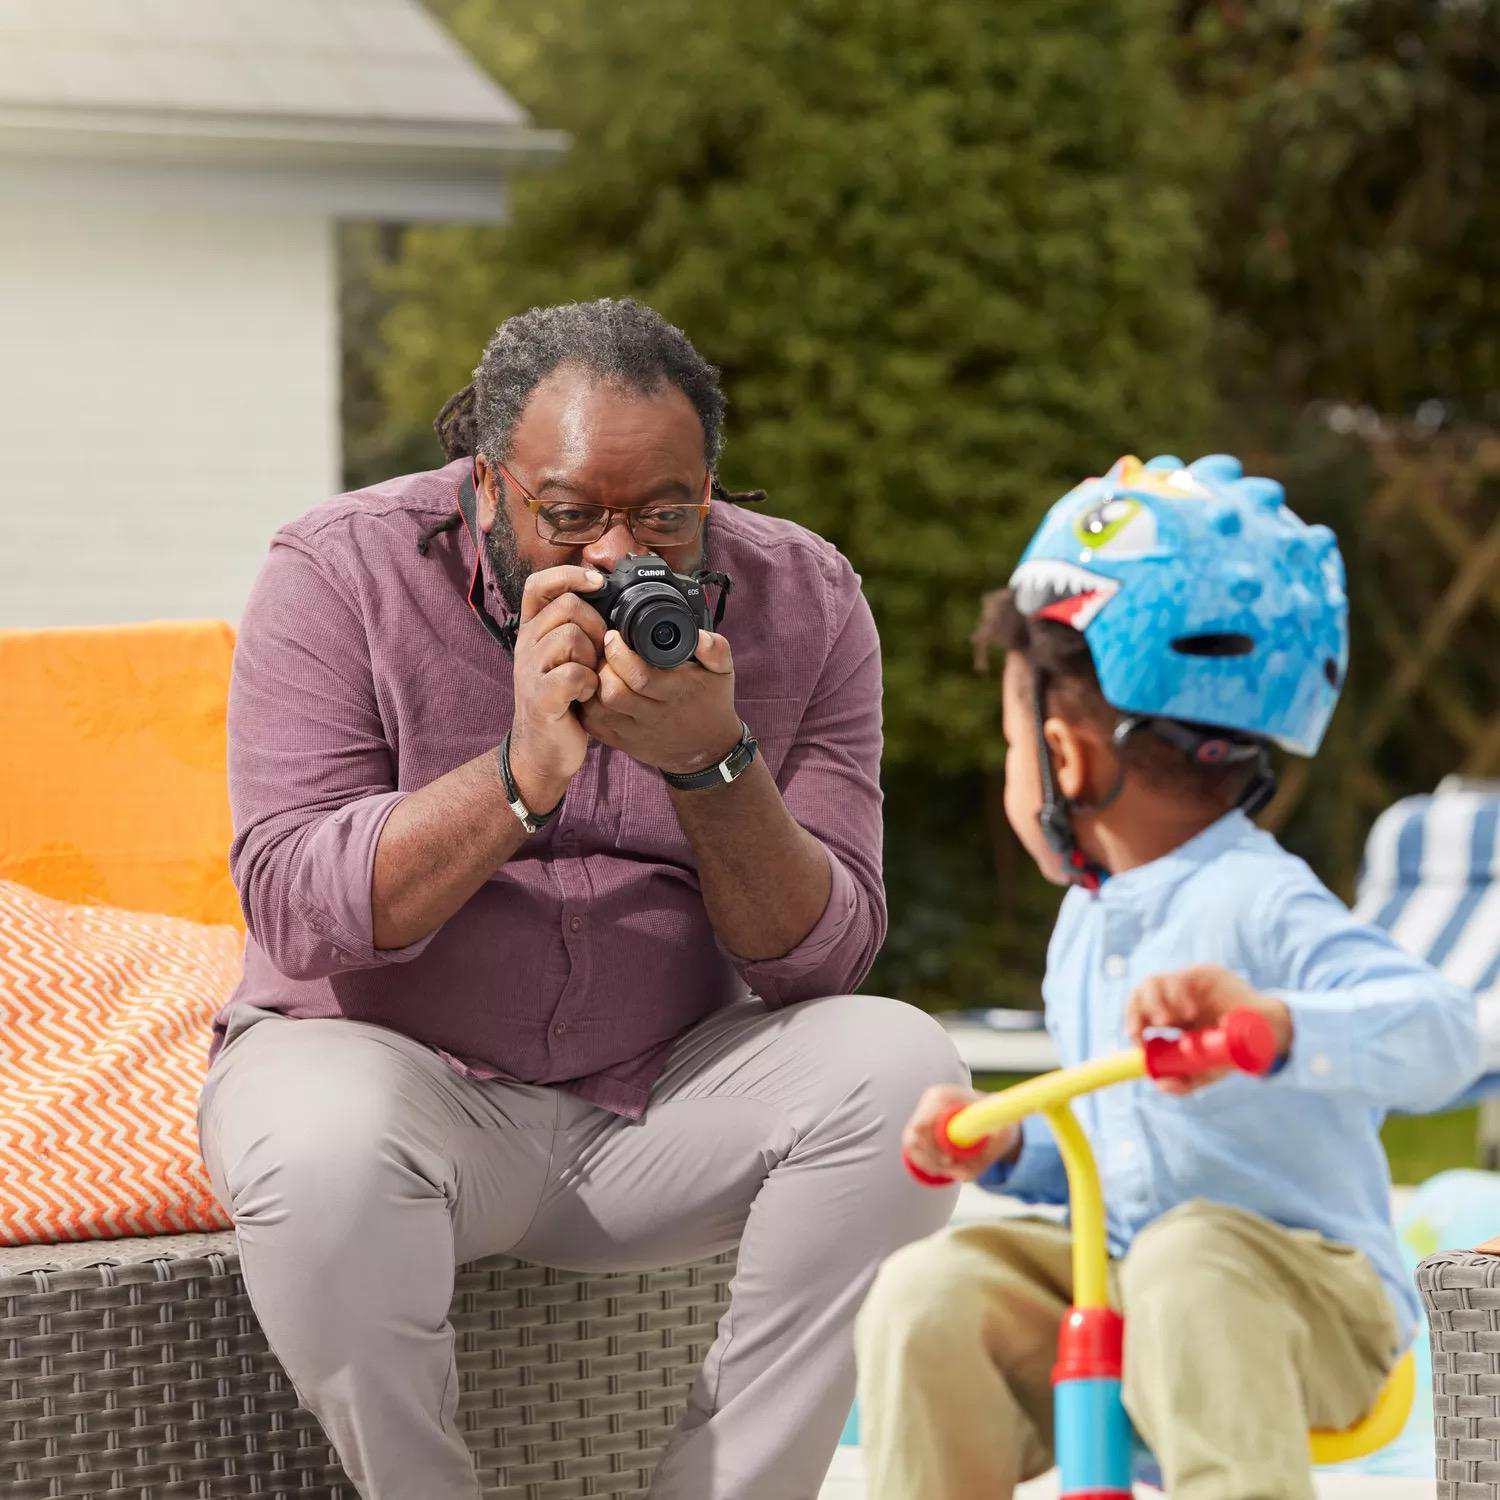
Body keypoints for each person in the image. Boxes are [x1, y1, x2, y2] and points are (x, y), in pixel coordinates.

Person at [197, 297, 965, 1500]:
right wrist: (516, 776)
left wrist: (715, 767)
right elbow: (292, 904)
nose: (621, 556)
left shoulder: (806, 598)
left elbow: (824, 960)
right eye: (572, 516)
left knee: (906, 1074)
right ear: (490, 481)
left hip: (660, 1105)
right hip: (403, 1083)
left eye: (668, 514)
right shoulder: (337, 573)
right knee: (320, 1144)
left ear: (712, 486)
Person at [854, 453, 1481, 1500]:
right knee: (932, 1295)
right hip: (1134, 1273)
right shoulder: (1084, 930)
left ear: (1062, 760)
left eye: (1008, 741)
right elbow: (1129, 1148)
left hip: (1315, 1304)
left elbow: (1446, 1033)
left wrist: (1276, 1025)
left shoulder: (1261, 899)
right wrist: (1016, 1148)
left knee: (1191, 1267)